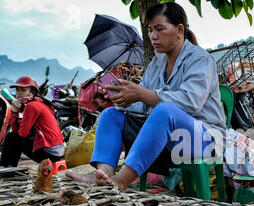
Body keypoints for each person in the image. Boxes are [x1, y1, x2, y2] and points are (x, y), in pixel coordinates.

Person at [66, 2, 226, 190]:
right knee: (111, 115)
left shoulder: (200, 59)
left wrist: (143, 94)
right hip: (167, 138)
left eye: (159, 29)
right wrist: (119, 98)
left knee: (165, 110)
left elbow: (190, 102)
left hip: (203, 139)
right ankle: (104, 175)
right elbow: (141, 102)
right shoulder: (158, 62)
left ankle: (121, 180)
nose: (153, 37)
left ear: (179, 30)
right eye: (150, 30)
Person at [0, 76, 64, 167]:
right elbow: (16, 130)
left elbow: (22, 134)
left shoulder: (31, 106)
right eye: (17, 90)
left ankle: (5, 167)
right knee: (14, 136)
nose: (19, 94)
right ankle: (9, 167)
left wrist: (14, 111)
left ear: (32, 92)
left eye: (23, 90)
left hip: (51, 154)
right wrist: (15, 111)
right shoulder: (36, 102)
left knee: (11, 137)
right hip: (56, 152)